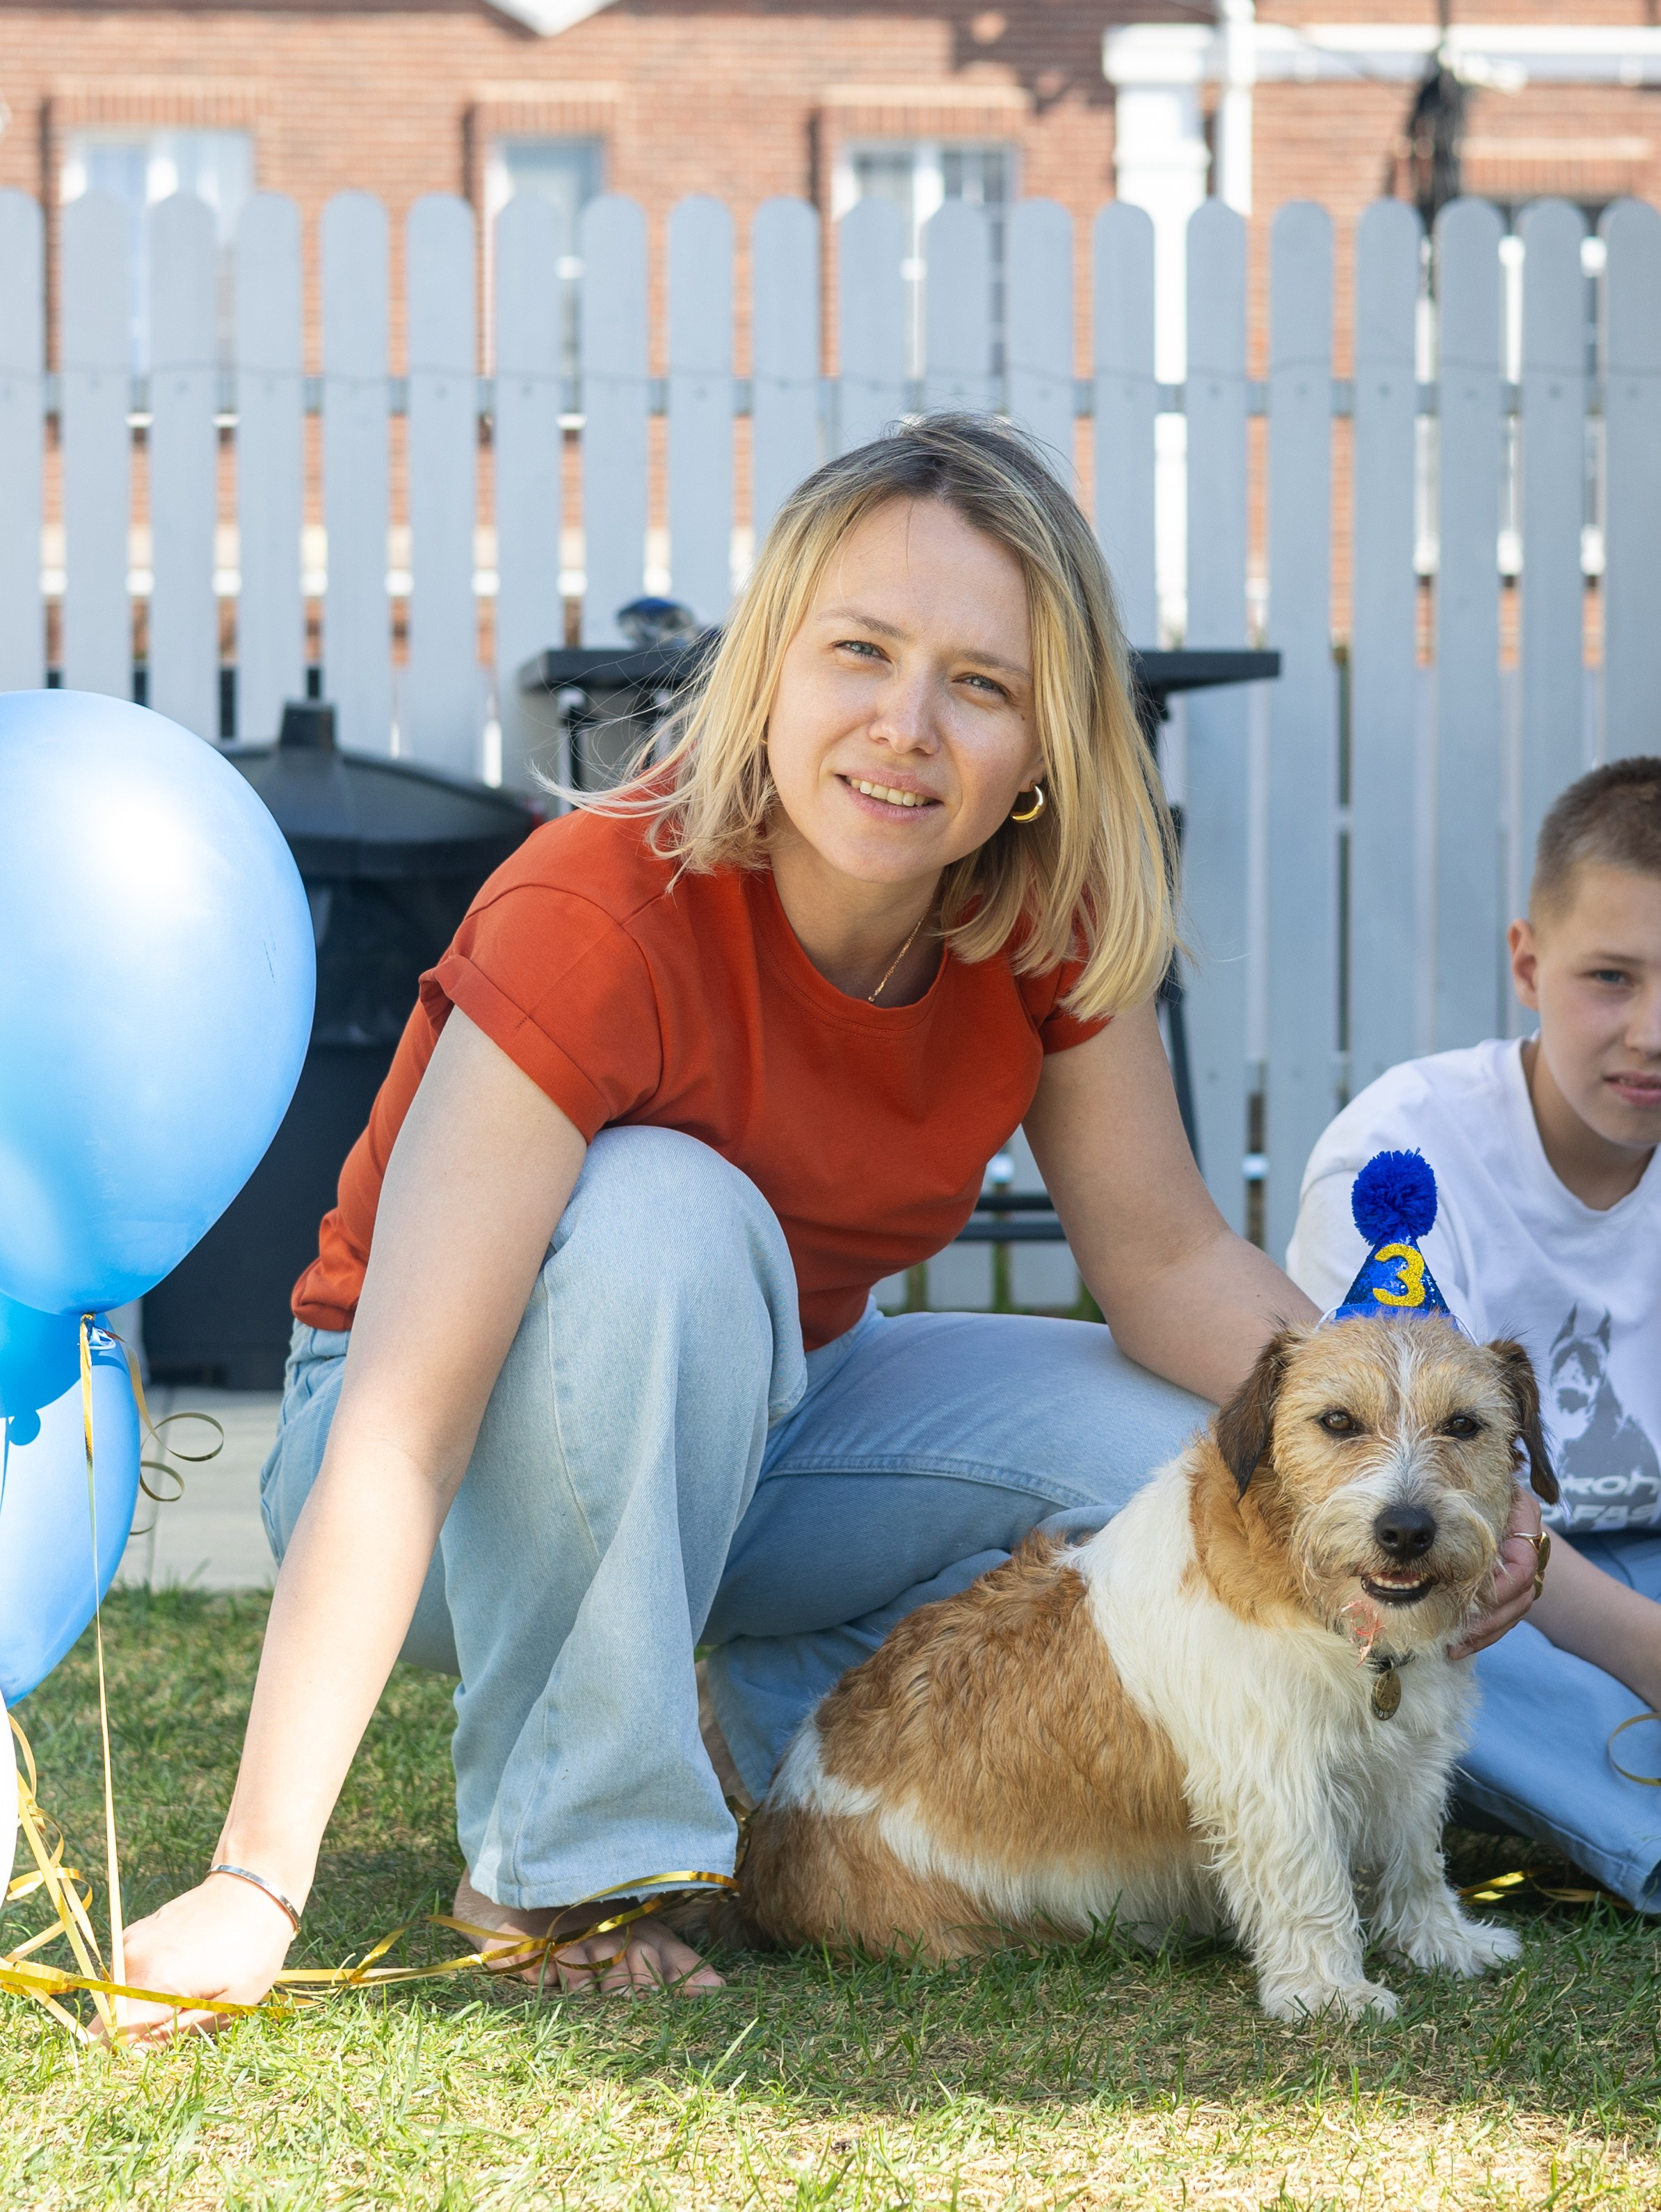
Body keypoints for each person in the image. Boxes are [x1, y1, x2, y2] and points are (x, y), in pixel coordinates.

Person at [120, 415, 1540, 2035]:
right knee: (667, 1209)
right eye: (859, 650)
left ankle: (813, 1751)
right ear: (770, 668)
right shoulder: (594, 909)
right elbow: (398, 1425)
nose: (905, 724)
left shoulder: (1039, 919)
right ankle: (573, 1856)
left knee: (1220, 1453)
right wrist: (255, 1875)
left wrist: (1475, 1518)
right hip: (429, 1483)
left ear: (1048, 745)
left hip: (777, 1421)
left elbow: (1166, 1270)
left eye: (981, 684)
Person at [1287, 759, 1661, 1907]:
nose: (1651, 1032)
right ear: (1527, 962)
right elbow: (1404, 1512)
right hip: (1469, 1579)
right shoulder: (1401, 1165)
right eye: (1610, 977)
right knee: (1419, 1646)